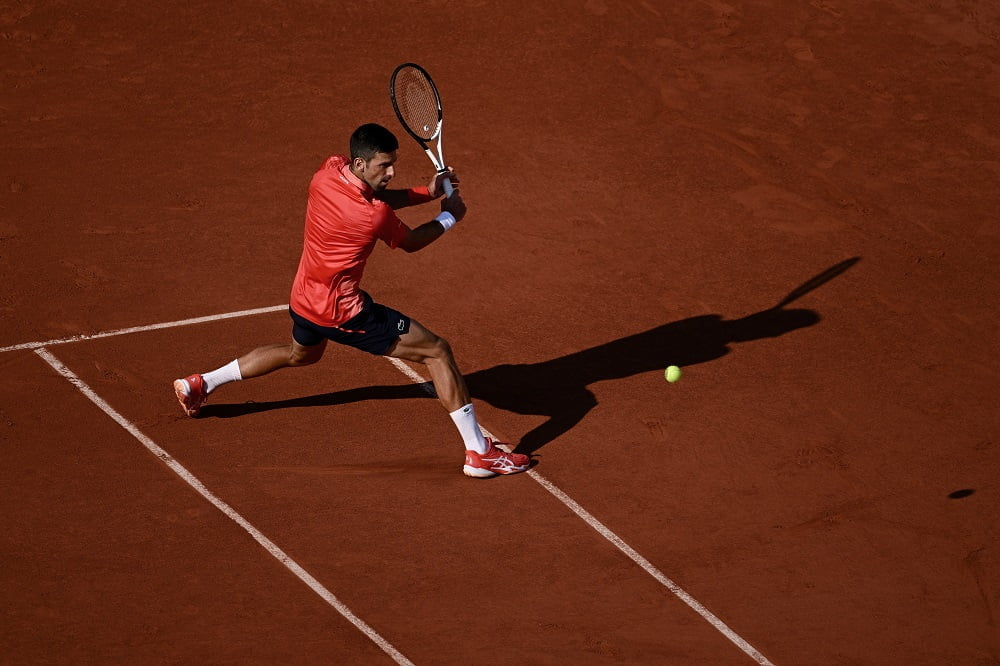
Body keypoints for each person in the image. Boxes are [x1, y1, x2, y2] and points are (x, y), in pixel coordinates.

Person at [173, 123, 529, 478]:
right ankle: (479, 454)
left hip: (303, 299)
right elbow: (412, 241)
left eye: (393, 165)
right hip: (344, 313)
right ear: (360, 165)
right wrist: (450, 214)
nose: (390, 172)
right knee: (436, 351)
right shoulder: (373, 215)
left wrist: (425, 192)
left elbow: (374, 193)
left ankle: (202, 383)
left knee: (301, 354)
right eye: (383, 166)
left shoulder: (327, 172)